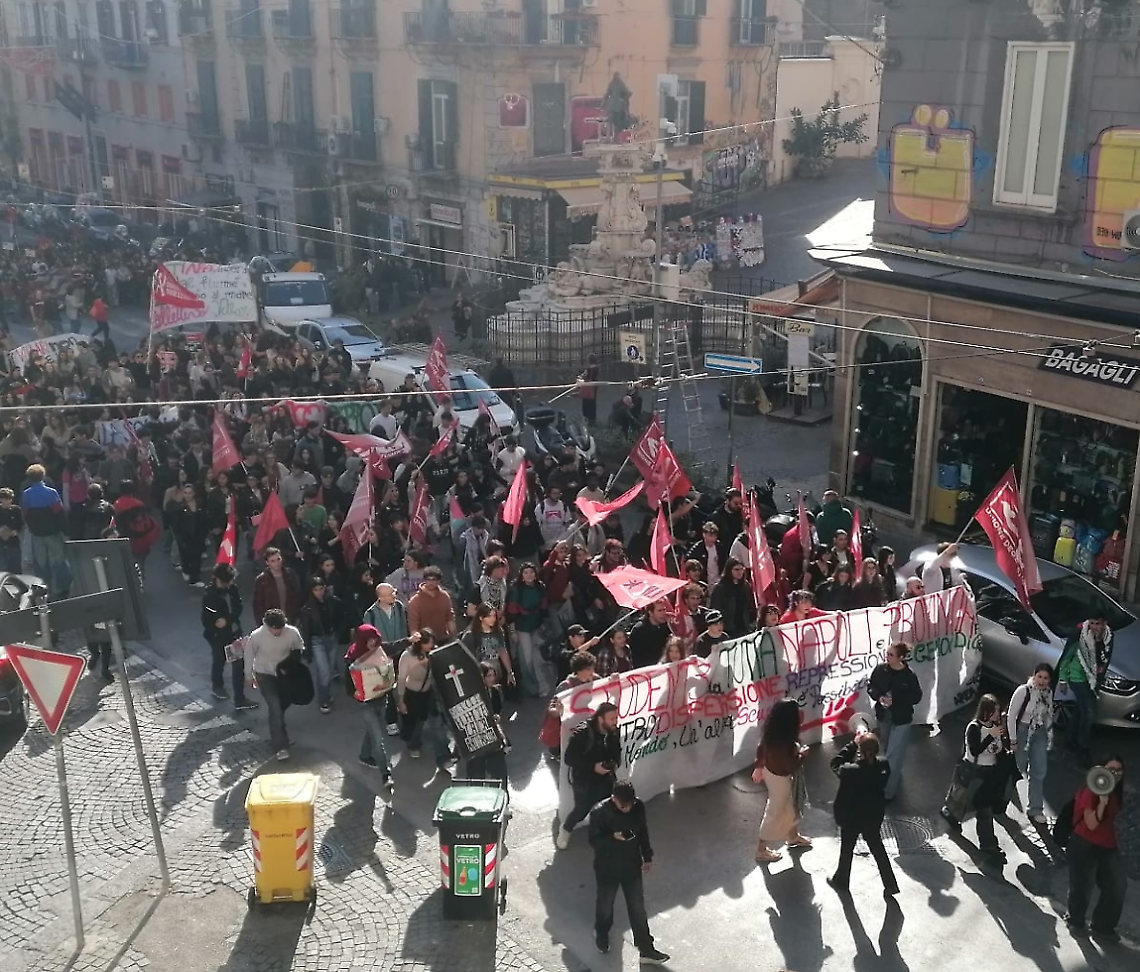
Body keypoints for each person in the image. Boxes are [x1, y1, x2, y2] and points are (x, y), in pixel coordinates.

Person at [588, 779, 670, 964]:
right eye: (624, 806)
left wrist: (647, 856)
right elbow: (594, 841)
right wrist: (613, 837)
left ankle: (646, 949)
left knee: (637, 908)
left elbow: (642, 832)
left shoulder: (638, 807)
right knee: (605, 905)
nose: (628, 809)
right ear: (614, 799)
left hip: (631, 866)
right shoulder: (599, 812)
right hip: (607, 868)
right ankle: (601, 933)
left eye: (630, 804)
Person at [827, 730, 898, 895]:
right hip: (873, 815)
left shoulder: (850, 771)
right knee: (877, 848)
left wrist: (852, 745)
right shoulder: (884, 765)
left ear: (860, 751)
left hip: (851, 817)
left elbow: (835, 763)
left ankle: (841, 880)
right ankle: (890, 884)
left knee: (847, 849)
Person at [940, 693, 1009, 861]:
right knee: (963, 801)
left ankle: (988, 845)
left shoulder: (996, 726)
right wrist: (991, 736)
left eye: (997, 710)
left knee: (984, 809)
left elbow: (998, 748)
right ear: (985, 711)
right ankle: (950, 814)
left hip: (990, 772)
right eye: (994, 711)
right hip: (974, 771)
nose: (996, 714)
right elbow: (975, 750)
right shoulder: (974, 728)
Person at [1065, 755, 1126, 939]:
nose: (1115, 774)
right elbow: (1091, 824)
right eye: (1111, 769)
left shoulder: (1116, 790)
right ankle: (1075, 921)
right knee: (1082, 888)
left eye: (1119, 771)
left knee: (1117, 886)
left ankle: (1103, 926)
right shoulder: (1089, 790)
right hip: (1084, 844)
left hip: (1107, 845)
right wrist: (1102, 803)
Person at [753, 698, 812, 863]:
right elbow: (791, 766)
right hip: (781, 777)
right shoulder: (786, 742)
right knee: (775, 811)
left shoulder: (771, 732)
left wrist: (759, 766)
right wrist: (802, 755)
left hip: (771, 772)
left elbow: (761, 748)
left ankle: (793, 836)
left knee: (789, 805)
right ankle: (761, 849)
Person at [556, 701, 621, 849]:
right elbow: (569, 758)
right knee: (581, 810)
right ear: (600, 719)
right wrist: (593, 767)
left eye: (616, 718)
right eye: (611, 718)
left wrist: (613, 764)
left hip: (605, 777)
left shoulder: (613, 732)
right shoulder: (583, 733)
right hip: (584, 779)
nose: (615, 722)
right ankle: (565, 829)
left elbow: (617, 752)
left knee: (609, 805)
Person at [867, 642, 923, 801]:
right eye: (887, 654)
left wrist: (897, 700)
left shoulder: (909, 676)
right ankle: (893, 775)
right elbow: (871, 686)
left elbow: (916, 696)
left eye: (891, 655)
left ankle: (888, 792)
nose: (887, 657)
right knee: (886, 750)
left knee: (894, 755)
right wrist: (879, 697)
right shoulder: (880, 670)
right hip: (883, 717)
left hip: (901, 719)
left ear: (901, 658)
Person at [247, 608, 305, 761]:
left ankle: (279, 733)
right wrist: (248, 675)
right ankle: (280, 746)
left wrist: (293, 662)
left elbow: (299, 647)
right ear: (267, 626)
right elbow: (249, 655)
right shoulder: (257, 636)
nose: (278, 632)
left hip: (284, 674)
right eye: (275, 629)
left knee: (280, 707)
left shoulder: (292, 632)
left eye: (281, 628)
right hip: (264, 674)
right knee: (275, 706)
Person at [1058, 614, 1113, 763]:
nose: (1095, 627)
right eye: (1092, 623)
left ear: (1104, 624)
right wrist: (1063, 679)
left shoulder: (1107, 638)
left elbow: (1104, 659)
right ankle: (1082, 746)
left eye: (1098, 624)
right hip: (1077, 677)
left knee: (1080, 710)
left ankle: (1069, 740)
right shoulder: (1080, 637)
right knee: (1089, 712)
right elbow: (1066, 658)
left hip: (1092, 680)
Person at [200, 562, 256, 709]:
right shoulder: (210, 596)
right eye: (228, 581)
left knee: (238, 665)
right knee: (219, 660)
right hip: (217, 636)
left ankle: (239, 699)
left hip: (233, 633)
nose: (230, 583)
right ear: (219, 579)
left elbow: (238, 606)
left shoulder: (232, 589)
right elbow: (207, 618)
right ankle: (217, 686)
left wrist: (228, 619)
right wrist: (217, 623)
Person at [347, 623, 397, 787]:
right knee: (377, 739)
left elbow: (394, 646)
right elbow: (349, 687)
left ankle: (364, 755)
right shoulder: (353, 658)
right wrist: (360, 691)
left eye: (374, 639)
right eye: (369, 640)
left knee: (372, 732)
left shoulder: (380, 650)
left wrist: (411, 640)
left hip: (382, 699)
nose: (372, 643)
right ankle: (386, 774)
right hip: (367, 704)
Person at [1006, 663, 1054, 824]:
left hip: (1039, 732)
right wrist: (1013, 739)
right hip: (1022, 731)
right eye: (1039, 676)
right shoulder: (1023, 691)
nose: (1042, 681)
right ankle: (1000, 799)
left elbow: (1048, 715)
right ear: (1034, 675)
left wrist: (1049, 735)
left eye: (1046, 678)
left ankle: (1035, 809)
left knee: (1039, 771)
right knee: (1015, 770)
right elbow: (1011, 716)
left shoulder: (1048, 694)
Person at [298, 576, 344, 714]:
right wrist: (306, 649)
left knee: (328, 670)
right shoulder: (307, 608)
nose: (319, 592)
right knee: (324, 671)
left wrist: (338, 632)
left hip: (331, 638)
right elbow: (306, 631)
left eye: (321, 588)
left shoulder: (332, 601)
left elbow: (341, 616)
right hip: (317, 641)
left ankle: (326, 694)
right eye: (316, 589)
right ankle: (323, 699)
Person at [252, 547, 304, 624]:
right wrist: (262, 623)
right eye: (272, 561)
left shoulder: (290, 575)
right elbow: (257, 605)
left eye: (278, 559)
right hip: (272, 622)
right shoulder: (261, 580)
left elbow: (298, 596)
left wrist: (298, 616)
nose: (276, 563)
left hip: (290, 618)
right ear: (267, 562)